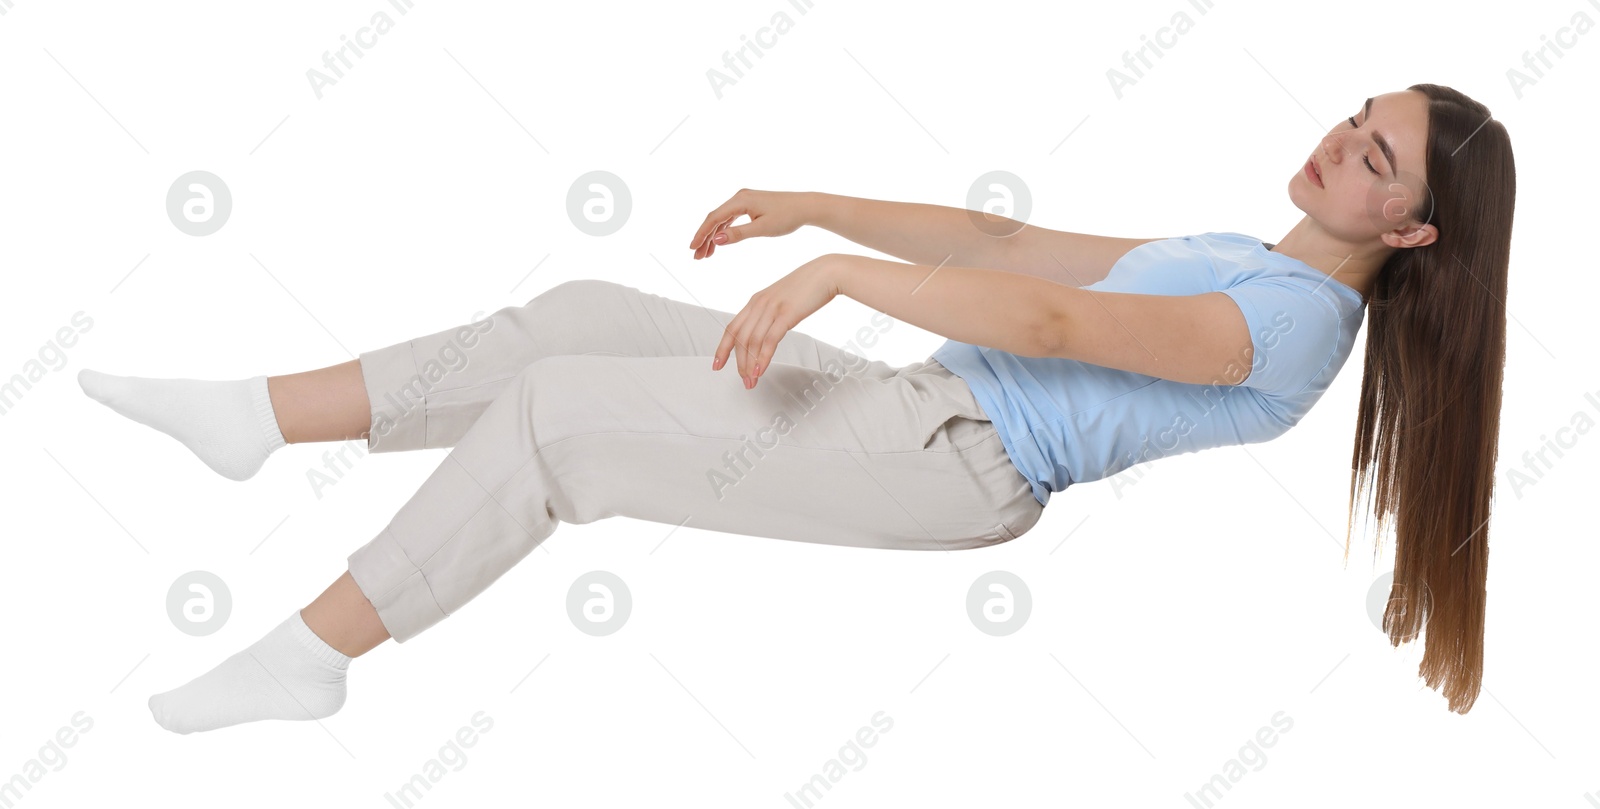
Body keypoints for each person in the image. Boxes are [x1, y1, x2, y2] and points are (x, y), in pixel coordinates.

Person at [77, 83, 1513, 732]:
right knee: (582, 315)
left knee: (560, 413)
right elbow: (1017, 254)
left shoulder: (1294, 325)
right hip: (922, 397)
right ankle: (258, 415)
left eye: (1376, 155)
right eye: (1352, 117)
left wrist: (839, 272)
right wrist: (818, 203)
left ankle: (307, 653)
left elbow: (1062, 326)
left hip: (962, 463)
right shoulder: (1249, 253)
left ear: (1414, 231)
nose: (1340, 144)